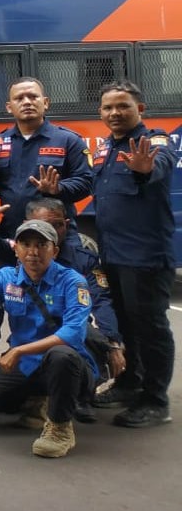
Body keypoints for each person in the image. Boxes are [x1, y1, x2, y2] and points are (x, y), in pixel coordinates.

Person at [0, 219, 97, 458]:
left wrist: (19, 351)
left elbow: (73, 334)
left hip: (70, 367)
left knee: (60, 356)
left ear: (55, 250)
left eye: (41, 244)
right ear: (16, 248)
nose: (33, 252)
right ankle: (38, 399)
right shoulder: (6, 278)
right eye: (26, 244)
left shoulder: (73, 281)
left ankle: (60, 427)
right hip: (28, 367)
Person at [90, 80, 175, 428]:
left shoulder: (153, 140)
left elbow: (159, 166)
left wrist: (146, 170)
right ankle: (130, 383)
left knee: (151, 328)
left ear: (139, 109)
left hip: (146, 255)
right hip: (114, 253)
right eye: (108, 107)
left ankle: (156, 401)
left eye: (123, 106)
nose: (115, 113)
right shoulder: (105, 149)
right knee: (126, 325)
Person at [0, 77, 92, 238]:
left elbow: (86, 181)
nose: (26, 102)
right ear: (9, 107)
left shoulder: (69, 140)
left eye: (33, 97)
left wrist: (58, 189)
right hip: (12, 237)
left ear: (45, 102)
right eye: (19, 98)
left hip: (58, 239)